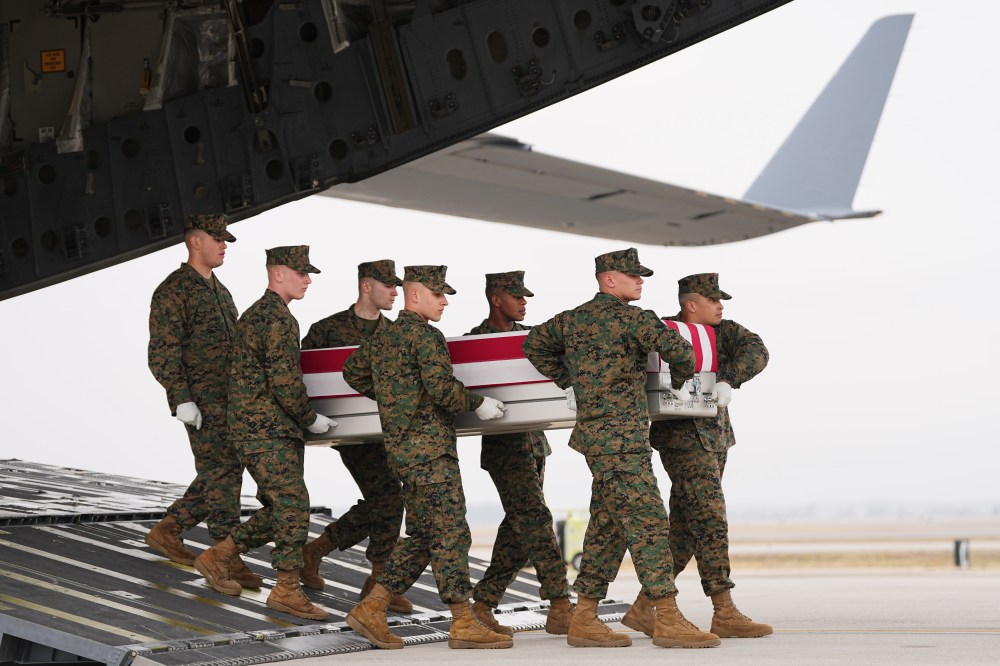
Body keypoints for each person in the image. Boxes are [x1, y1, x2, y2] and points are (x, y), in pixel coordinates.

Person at [522, 248, 720, 649]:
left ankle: (584, 617)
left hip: (596, 438)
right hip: (624, 441)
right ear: (609, 279)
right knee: (649, 521)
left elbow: (533, 344)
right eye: (633, 275)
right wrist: (679, 382)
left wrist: (569, 380)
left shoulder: (570, 320)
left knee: (608, 527)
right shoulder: (635, 319)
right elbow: (683, 353)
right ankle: (666, 616)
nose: (640, 280)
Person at [341, 265, 512, 650]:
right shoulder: (425, 335)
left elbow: (353, 372)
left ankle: (372, 608)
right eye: (438, 294)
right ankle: (463, 621)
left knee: (423, 536)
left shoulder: (383, 337)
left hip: (404, 451)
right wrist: (478, 403)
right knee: (452, 531)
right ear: (415, 295)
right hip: (430, 451)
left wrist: (396, 396)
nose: (444, 301)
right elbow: (441, 389)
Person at [624, 273, 772, 639]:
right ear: (691, 304)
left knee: (686, 529)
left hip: (716, 438)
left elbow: (758, 351)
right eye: (713, 300)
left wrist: (728, 379)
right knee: (710, 518)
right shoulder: (664, 331)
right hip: (682, 440)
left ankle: (644, 606)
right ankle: (723, 609)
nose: (720, 307)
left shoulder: (725, 332)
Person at [193, 245, 336, 621]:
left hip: (261, 428)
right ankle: (285, 589)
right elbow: (284, 381)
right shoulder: (277, 318)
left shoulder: (261, 314)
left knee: (281, 509)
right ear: (277, 273)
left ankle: (218, 556)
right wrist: (310, 418)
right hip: (266, 429)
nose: (307, 280)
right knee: (292, 504)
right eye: (301, 273)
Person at [145, 214, 261, 590]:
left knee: (224, 469)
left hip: (229, 399)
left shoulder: (220, 291)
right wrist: (181, 398)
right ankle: (224, 558)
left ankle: (170, 528)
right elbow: (163, 350)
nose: (224, 246)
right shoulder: (174, 290)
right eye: (217, 239)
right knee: (223, 474)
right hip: (201, 401)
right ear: (196, 241)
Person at [299, 260, 414, 613]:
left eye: (396, 286)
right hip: (350, 433)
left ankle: (317, 551)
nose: (395, 292)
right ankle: (378, 580)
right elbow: (302, 374)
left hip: (390, 432)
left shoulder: (396, 333)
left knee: (386, 499)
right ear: (367, 285)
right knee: (390, 497)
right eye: (388, 285)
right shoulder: (327, 330)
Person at [465, 271, 572, 636]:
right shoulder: (474, 343)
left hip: (535, 443)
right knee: (535, 518)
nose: (524, 302)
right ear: (496, 299)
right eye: (516, 296)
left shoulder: (534, 337)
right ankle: (560, 602)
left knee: (518, 527)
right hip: (505, 448)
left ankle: (483, 603)